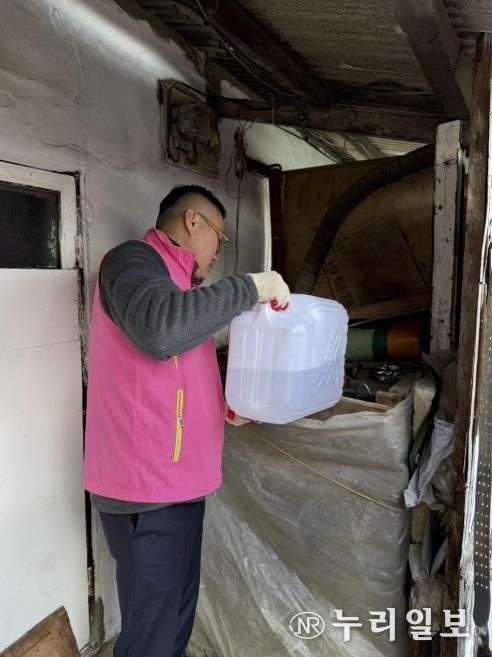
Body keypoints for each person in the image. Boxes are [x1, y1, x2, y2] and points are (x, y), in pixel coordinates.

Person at [83, 184, 290, 657]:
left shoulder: (183, 290)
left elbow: (173, 376)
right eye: (220, 237)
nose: (219, 253)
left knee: (174, 625)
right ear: (192, 221)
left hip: (179, 487)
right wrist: (250, 287)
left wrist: (224, 408)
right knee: (151, 639)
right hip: (145, 490)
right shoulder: (131, 261)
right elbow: (161, 331)